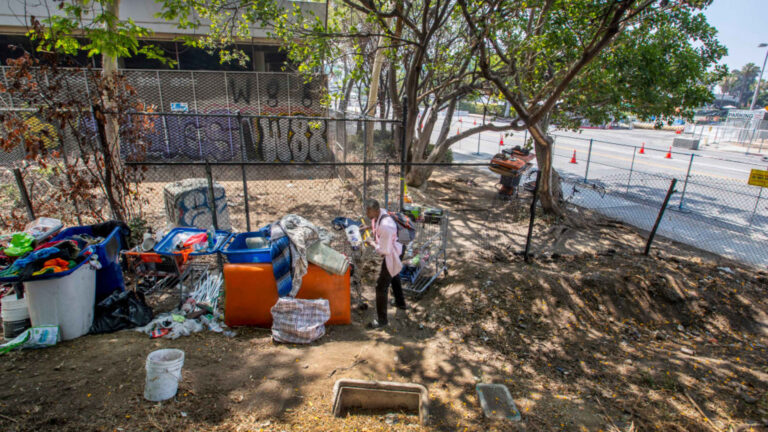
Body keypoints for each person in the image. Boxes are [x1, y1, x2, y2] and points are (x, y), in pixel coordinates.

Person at [363, 199, 406, 328]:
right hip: (398, 247)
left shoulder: (385, 226)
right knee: (393, 274)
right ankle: (401, 303)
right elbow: (377, 224)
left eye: (368, 211)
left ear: (376, 210)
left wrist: (371, 243)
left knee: (380, 286)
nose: (366, 213)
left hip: (392, 253)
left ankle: (382, 321)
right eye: (366, 210)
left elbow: (384, 251)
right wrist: (368, 227)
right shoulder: (381, 214)